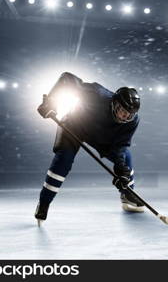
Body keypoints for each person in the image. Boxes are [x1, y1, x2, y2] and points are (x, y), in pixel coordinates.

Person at [34, 72, 143, 223]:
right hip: (74, 126)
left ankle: (128, 195)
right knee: (63, 162)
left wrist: (121, 172)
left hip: (101, 137)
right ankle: (44, 203)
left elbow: (120, 145)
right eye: (122, 111)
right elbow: (67, 78)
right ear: (114, 103)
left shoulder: (132, 121)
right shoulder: (96, 93)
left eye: (129, 115)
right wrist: (51, 101)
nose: (124, 117)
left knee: (125, 159)